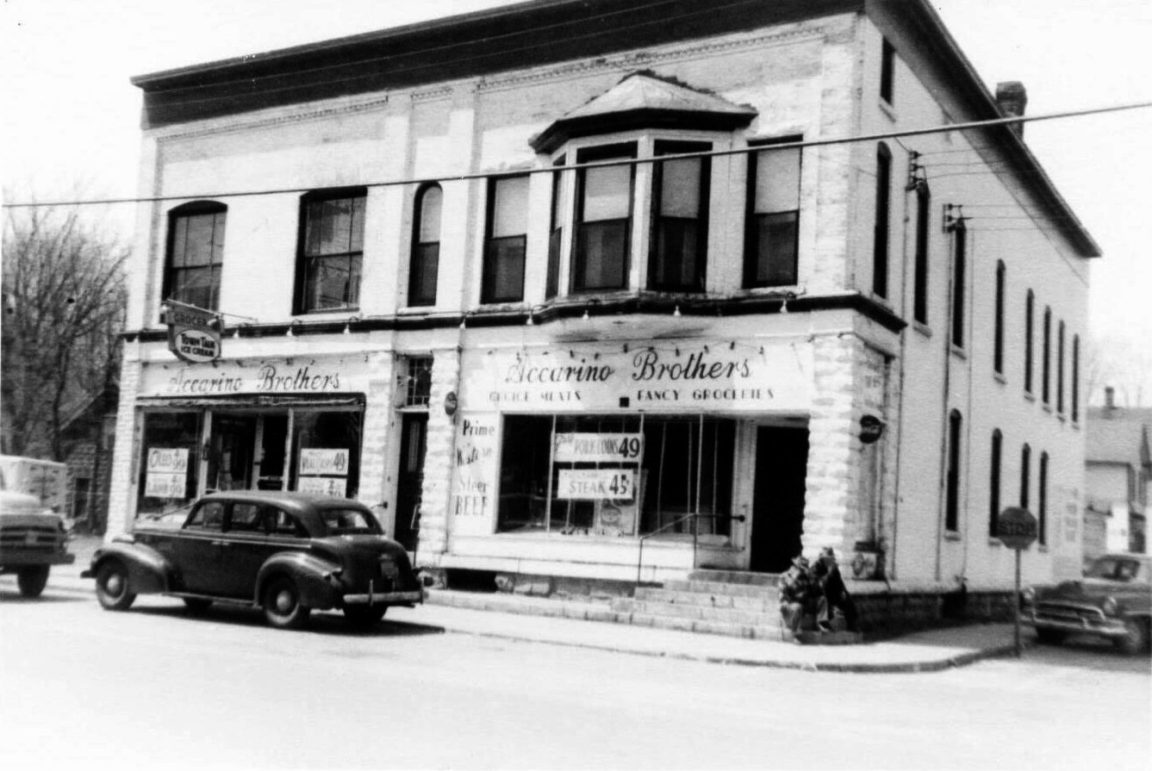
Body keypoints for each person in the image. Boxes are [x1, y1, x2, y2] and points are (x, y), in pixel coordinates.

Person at [812, 547, 859, 632]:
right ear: (822, 558)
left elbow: (839, 582)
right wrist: (830, 573)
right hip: (821, 594)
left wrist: (843, 591)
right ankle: (823, 624)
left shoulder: (834, 568)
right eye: (827, 558)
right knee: (823, 600)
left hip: (833, 594)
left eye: (831, 558)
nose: (830, 560)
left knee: (847, 599)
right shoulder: (816, 567)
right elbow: (819, 585)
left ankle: (851, 624)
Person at [778, 555, 819, 637]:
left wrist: (811, 578)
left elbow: (815, 591)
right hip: (789, 604)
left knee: (821, 600)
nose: (803, 569)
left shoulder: (806, 577)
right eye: (801, 567)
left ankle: (820, 625)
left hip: (804, 603)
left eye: (805, 566)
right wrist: (796, 576)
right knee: (797, 607)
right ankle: (795, 632)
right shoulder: (785, 576)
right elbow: (784, 592)